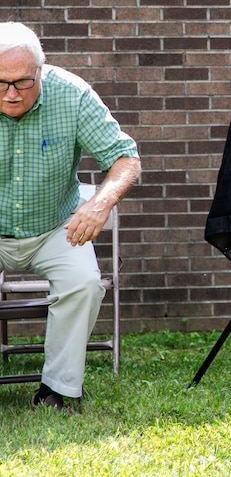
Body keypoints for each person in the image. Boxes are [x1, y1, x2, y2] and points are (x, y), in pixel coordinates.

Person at [0, 21, 141, 413]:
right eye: (1, 82)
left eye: (23, 82)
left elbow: (125, 157)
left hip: (56, 226)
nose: (11, 94)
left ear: (40, 71)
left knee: (84, 283)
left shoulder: (72, 94)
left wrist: (99, 203)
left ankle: (57, 391)